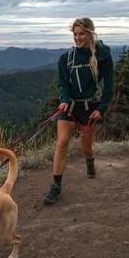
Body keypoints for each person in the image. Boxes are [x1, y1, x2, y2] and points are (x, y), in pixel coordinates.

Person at [43, 17, 113, 204]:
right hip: (70, 106)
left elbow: (109, 85)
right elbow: (63, 83)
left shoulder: (103, 54)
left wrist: (102, 108)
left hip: (90, 107)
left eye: (82, 34)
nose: (78, 38)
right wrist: (64, 100)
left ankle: (89, 161)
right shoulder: (66, 58)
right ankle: (56, 186)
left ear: (90, 33)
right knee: (62, 142)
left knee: (86, 147)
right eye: (75, 34)